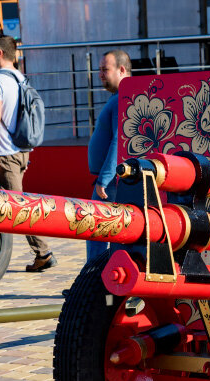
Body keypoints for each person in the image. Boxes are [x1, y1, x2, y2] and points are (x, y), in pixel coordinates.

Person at [0, 34, 55, 272]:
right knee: (15, 204)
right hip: (22, 151)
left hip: (5, 154)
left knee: (19, 208)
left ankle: (43, 253)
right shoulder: (20, 78)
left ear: (0, 53)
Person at [86, 49, 131, 264]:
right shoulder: (119, 97)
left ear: (122, 70)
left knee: (96, 227)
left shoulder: (123, 97)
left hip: (111, 181)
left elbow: (118, 141)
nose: (101, 74)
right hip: (112, 179)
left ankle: (93, 280)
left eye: (105, 69)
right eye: (100, 70)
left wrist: (104, 179)